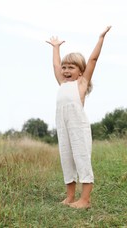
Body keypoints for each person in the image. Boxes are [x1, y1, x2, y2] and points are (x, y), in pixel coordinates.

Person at [46, 26, 111, 209]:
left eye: (71, 67)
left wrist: (100, 38)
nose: (66, 70)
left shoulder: (81, 83)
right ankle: (70, 197)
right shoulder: (62, 83)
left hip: (78, 126)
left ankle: (85, 200)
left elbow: (93, 59)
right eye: (64, 67)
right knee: (66, 158)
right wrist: (56, 47)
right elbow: (55, 65)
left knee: (81, 158)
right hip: (63, 126)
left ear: (81, 71)